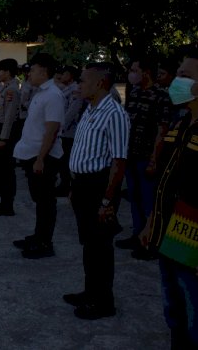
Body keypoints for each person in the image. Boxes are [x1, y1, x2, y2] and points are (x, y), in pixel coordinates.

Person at [141, 49, 198, 348]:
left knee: (195, 318)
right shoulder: (180, 123)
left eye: (186, 77)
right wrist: (151, 221)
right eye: (178, 74)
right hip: (169, 234)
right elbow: (164, 182)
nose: (177, 81)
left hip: (194, 243)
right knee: (173, 310)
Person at [64, 63, 130, 320]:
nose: (79, 84)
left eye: (83, 80)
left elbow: (118, 161)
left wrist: (107, 199)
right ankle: (90, 292)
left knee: (101, 247)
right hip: (82, 185)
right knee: (90, 245)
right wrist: (73, 185)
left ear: (100, 83)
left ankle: (103, 302)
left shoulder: (114, 113)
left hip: (99, 187)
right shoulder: (90, 110)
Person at [115, 58, 171, 260]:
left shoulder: (161, 97)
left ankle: (151, 241)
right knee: (134, 198)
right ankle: (138, 235)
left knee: (149, 201)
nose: (131, 73)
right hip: (131, 154)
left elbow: (161, 130)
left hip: (147, 157)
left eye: (134, 70)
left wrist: (154, 159)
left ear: (146, 72)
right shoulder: (135, 92)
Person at [12, 53, 65, 259]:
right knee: (40, 200)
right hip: (33, 155)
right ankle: (37, 236)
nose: (29, 73)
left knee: (46, 202)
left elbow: (51, 131)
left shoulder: (53, 94)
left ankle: (45, 243)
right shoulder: (41, 92)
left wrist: (40, 159)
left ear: (43, 71)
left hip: (43, 157)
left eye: (32, 70)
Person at [0, 59, 22, 216]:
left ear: (7, 72)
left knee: (7, 170)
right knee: (0, 168)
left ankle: (8, 205)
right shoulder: (4, 88)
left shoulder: (12, 90)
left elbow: (9, 117)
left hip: (6, 132)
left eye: (0, 71)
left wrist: (3, 138)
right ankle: (3, 201)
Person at [56, 65, 83, 197]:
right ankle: (64, 184)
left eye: (64, 73)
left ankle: (67, 186)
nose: (62, 76)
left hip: (70, 132)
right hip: (64, 131)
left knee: (67, 160)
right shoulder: (67, 89)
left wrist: (60, 126)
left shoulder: (75, 90)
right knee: (63, 160)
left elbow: (72, 112)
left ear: (71, 76)